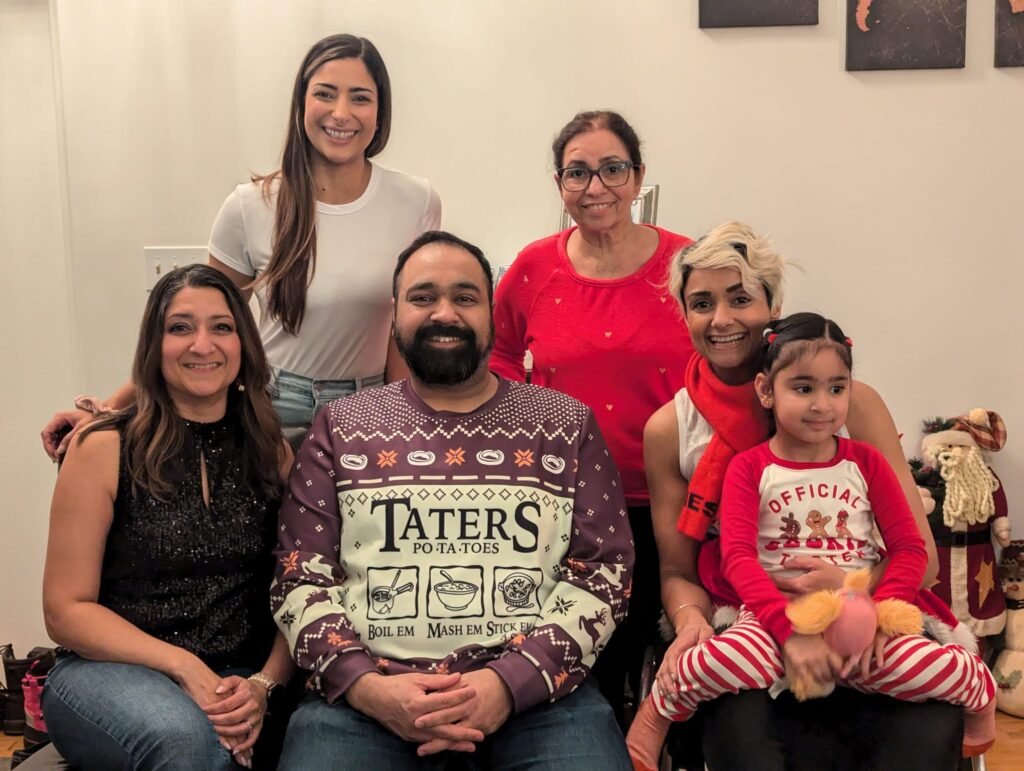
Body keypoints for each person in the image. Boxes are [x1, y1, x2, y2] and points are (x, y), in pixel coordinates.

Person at [271, 230, 633, 769]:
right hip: (365, 701)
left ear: (492, 313)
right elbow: (299, 577)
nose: (445, 313)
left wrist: (506, 685)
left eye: (465, 297)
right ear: (395, 315)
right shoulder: (342, 426)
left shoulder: (565, 424)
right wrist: (368, 688)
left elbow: (603, 572)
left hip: (540, 700)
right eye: (423, 297)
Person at [638, 221, 965, 771]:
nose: (720, 319)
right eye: (701, 303)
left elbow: (920, 555)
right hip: (747, 613)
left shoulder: (852, 405)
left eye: (740, 298)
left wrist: (849, 597)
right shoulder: (669, 429)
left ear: (772, 306)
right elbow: (677, 569)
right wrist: (692, 621)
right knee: (741, 737)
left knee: (927, 733)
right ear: (684, 314)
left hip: (867, 603)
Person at [40, 33, 441, 455]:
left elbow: (407, 329)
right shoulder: (252, 206)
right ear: (302, 103)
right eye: (326, 94)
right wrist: (109, 410)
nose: (342, 113)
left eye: (360, 98)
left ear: (380, 111)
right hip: (271, 407)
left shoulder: (415, 202)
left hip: (371, 406)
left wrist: (406, 415)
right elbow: (200, 326)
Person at [40, 265, 295, 770]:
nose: (203, 345)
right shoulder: (102, 447)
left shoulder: (274, 452)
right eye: (180, 327)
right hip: (112, 672)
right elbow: (65, 610)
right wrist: (183, 667)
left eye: (222, 327)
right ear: (153, 348)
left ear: (245, 345)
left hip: (241, 676)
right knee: (188, 741)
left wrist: (264, 684)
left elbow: (299, 589)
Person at [491, 110, 695, 722]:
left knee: (670, 659)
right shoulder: (533, 268)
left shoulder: (686, 263)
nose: (595, 187)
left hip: (671, 501)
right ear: (560, 184)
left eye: (612, 169)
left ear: (637, 178)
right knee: (586, 668)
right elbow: (500, 353)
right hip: (564, 504)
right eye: (577, 173)